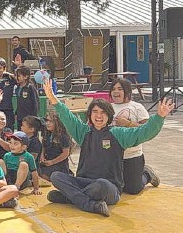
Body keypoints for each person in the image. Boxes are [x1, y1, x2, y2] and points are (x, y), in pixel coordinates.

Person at [42, 78, 173, 217]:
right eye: (95, 112)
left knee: (101, 185)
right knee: (56, 176)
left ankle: (70, 198)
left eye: (103, 112)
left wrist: (159, 117)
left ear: (109, 116)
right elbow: (67, 116)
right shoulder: (83, 132)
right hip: (83, 182)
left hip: (108, 187)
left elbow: (143, 133)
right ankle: (90, 204)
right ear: (90, 115)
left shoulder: (118, 134)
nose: (99, 116)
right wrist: (53, 99)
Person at [110, 78, 160, 194]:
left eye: (119, 89)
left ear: (127, 91)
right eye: (113, 89)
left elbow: (147, 130)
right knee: (116, 187)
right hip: (112, 156)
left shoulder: (137, 107)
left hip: (132, 155)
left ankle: (146, 174)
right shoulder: (107, 107)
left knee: (133, 189)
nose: (115, 92)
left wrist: (128, 123)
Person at [39, 111, 73, 182]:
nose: (47, 123)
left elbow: (65, 153)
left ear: (58, 123)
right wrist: (42, 156)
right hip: (47, 162)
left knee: (48, 176)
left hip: (59, 164)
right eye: (47, 121)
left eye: (51, 121)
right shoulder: (47, 134)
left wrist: (52, 162)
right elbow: (43, 147)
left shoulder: (63, 136)